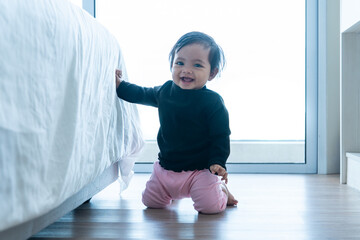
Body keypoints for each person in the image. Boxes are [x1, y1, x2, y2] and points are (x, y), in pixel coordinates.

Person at [115, 31, 238, 214]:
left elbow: (220, 136)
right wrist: (120, 85)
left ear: (212, 73)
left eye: (197, 65)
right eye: (179, 63)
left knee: (209, 208)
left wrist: (217, 162)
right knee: (151, 202)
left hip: (200, 170)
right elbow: (141, 93)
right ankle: (172, 192)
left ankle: (221, 190)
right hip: (166, 168)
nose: (186, 70)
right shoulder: (165, 91)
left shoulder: (213, 102)